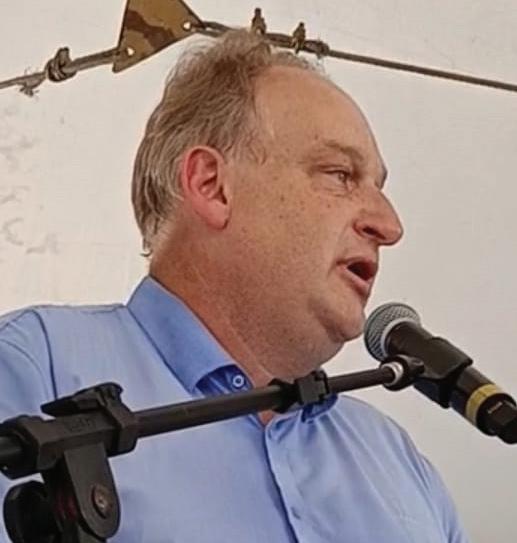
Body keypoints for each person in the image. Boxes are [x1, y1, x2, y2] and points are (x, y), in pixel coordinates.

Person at [0, 29, 469, 542]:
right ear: (212, 186)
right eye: (340, 174)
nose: (389, 225)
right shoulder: (32, 368)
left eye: (378, 187)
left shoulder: (401, 465)